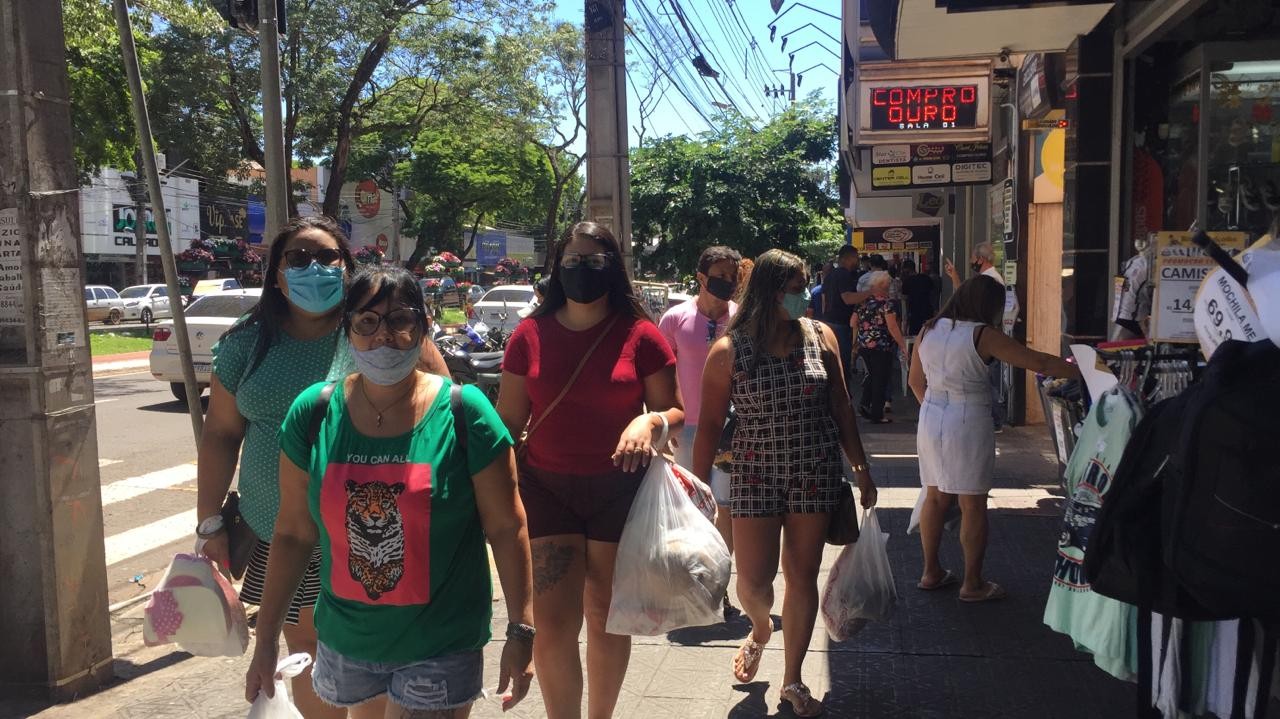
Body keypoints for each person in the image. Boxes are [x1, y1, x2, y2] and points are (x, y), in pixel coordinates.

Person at [244, 265, 534, 717]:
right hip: (345, 643)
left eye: (401, 320)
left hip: (439, 643)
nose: (384, 336)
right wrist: (265, 641)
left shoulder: (464, 412)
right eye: (368, 322)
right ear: (348, 331)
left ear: (422, 328)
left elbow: (507, 524)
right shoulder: (314, 412)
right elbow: (293, 534)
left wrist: (521, 629)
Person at [196, 216, 449, 718]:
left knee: (364, 648)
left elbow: (441, 405)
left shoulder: (378, 330)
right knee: (307, 650)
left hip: (373, 531)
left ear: (346, 267)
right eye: (298, 259)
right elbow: (221, 434)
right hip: (281, 531)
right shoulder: (247, 345)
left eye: (326, 258)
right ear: (276, 274)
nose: (314, 268)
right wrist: (209, 524)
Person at [497, 221, 683, 719]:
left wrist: (649, 420)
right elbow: (508, 423)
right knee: (553, 627)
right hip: (546, 489)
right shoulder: (528, 334)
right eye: (572, 261)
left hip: (619, 490)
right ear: (557, 269)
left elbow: (674, 411)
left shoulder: (640, 335)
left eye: (594, 261)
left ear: (613, 267)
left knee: (605, 616)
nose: (582, 270)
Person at [693, 249, 878, 718]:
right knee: (754, 584)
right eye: (797, 288)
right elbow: (710, 426)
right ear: (773, 293)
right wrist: (695, 488)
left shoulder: (822, 337)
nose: (805, 296)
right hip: (753, 475)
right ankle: (759, 629)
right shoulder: (729, 351)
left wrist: (861, 469)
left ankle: (793, 679)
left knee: (801, 576)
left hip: (814, 470)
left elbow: (841, 406)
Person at [908, 276, 1080, 602]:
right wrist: (1085, 371)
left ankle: (930, 571)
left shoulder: (928, 329)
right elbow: (1039, 362)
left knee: (934, 496)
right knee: (972, 502)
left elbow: (915, 381)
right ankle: (972, 584)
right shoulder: (982, 334)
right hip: (968, 418)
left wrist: (935, 411)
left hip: (931, 416)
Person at [658, 245, 741, 619]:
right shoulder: (675, 319)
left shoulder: (742, 319)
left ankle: (717, 582)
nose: (727, 283)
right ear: (701, 277)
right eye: (720, 276)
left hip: (733, 430)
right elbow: (661, 376)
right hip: (688, 431)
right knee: (692, 508)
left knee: (727, 506)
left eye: (732, 276)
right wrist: (665, 427)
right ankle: (693, 582)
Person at [944, 242, 1018, 432]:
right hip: (982, 333)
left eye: (972, 258)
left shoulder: (991, 281)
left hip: (986, 334)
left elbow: (973, 305)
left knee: (986, 379)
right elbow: (967, 299)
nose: (971, 262)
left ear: (980, 258)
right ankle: (994, 418)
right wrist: (955, 277)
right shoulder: (986, 279)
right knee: (985, 378)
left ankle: (995, 420)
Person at [855, 271, 908, 424]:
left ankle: (865, 404)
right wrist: (902, 345)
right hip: (881, 345)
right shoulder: (887, 304)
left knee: (871, 375)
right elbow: (892, 326)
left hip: (864, 344)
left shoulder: (863, 302)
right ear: (884, 285)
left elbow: (853, 322)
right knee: (880, 378)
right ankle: (876, 413)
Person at [819, 245, 871, 389]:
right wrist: (870, 292)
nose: (858, 260)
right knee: (842, 365)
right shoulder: (843, 274)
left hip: (828, 323)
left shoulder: (830, 276)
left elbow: (824, 301)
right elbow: (848, 298)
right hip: (840, 325)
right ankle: (844, 397)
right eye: (857, 257)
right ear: (850, 258)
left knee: (832, 364)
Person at [899, 259, 937, 336]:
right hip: (928, 312)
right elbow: (933, 296)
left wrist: (905, 322)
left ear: (907, 269)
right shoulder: (926, 278)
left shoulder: (906, 282)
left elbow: (904, 302)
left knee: (915, 338)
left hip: (914, 315)